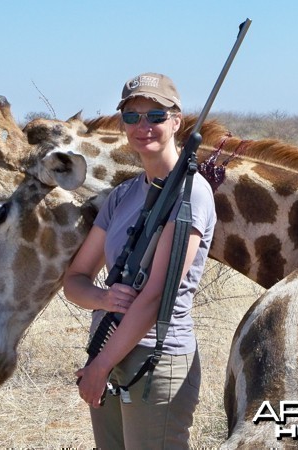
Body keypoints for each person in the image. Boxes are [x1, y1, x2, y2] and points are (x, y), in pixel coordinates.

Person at [63, 72, 217, 449]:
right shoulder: (123, 195)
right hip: (108, 351)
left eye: (155, 116)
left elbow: (153, 297)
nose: (143, 126)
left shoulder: (192, 194)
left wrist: (99, 367)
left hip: (155, 361)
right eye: (132, 117)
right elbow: (76, 279)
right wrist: (102, 299)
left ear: (177, 122)